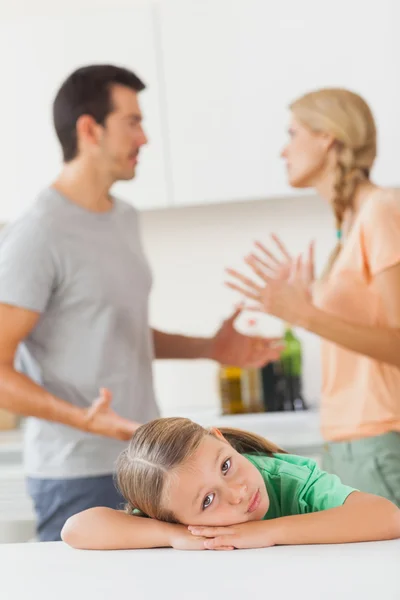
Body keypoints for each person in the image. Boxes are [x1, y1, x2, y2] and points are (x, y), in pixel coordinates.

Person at [0, 64, 281, 542]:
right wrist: (82, 419)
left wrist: (209, 348)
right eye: (132, 121)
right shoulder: (37, 233)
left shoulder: (123, 218)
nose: (145, 138)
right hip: (78, 472)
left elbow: (111, 329)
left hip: (153, 470)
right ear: (90, 129)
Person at [226, 87, 400, 507]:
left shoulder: (382, 210)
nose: (283, 151)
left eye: (292, 133)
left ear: (328, 137)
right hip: (352, 442)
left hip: (380, 438)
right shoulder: (350, 224)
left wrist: (306, 314)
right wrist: (308, 303)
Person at [60, 417, 400, 550]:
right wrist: (172, 536)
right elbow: (76, 529)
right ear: (178, 518)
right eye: (208, 501)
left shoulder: (287, 480)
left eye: (226, 465)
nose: (238, 492)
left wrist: (268, 532)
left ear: (223, 439)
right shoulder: (173, 512)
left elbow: (386, 516)